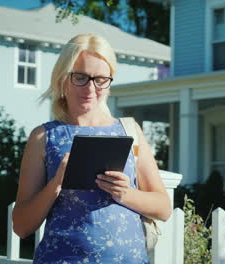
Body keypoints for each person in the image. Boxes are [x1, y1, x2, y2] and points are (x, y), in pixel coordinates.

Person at [12, 33, 172, 263]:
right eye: (80, 77)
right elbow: (21, 226)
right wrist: (56, 184)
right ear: (62, 78)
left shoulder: (129, 130)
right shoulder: (43, 137)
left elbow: (164, 208)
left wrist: (125, 194)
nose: (90, 88)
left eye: (100, 79)